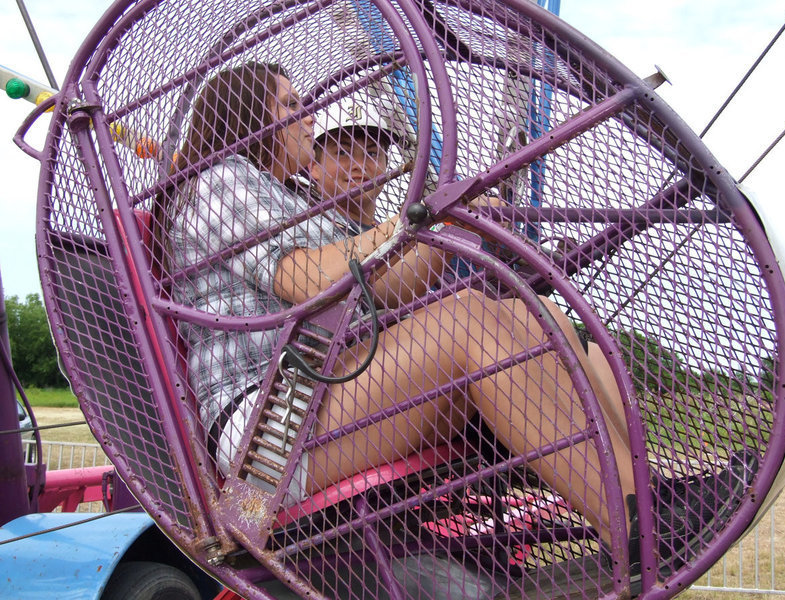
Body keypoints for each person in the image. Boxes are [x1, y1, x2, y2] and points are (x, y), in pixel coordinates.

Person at [155, 61, 752, 573]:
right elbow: (310, 281)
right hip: (269, 432)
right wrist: (416, 220)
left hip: (327, 386)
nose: (309, 115)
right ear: (248, 117)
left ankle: (647, 491)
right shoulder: (219, 182)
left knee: (531, 310)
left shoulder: (292, 200)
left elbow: (384, 291)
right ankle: (639, 526)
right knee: (466, 318)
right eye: (290, 104)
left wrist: (445, 230)